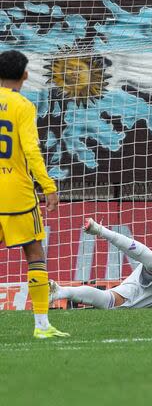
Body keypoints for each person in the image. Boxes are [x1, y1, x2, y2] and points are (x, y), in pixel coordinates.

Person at [0, 50, 68, 339]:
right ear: (25, 75)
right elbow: (30, 151)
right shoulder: (23, 106)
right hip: (16, 195)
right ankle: (41, 326)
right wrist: (48, 186)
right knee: (35, 255)